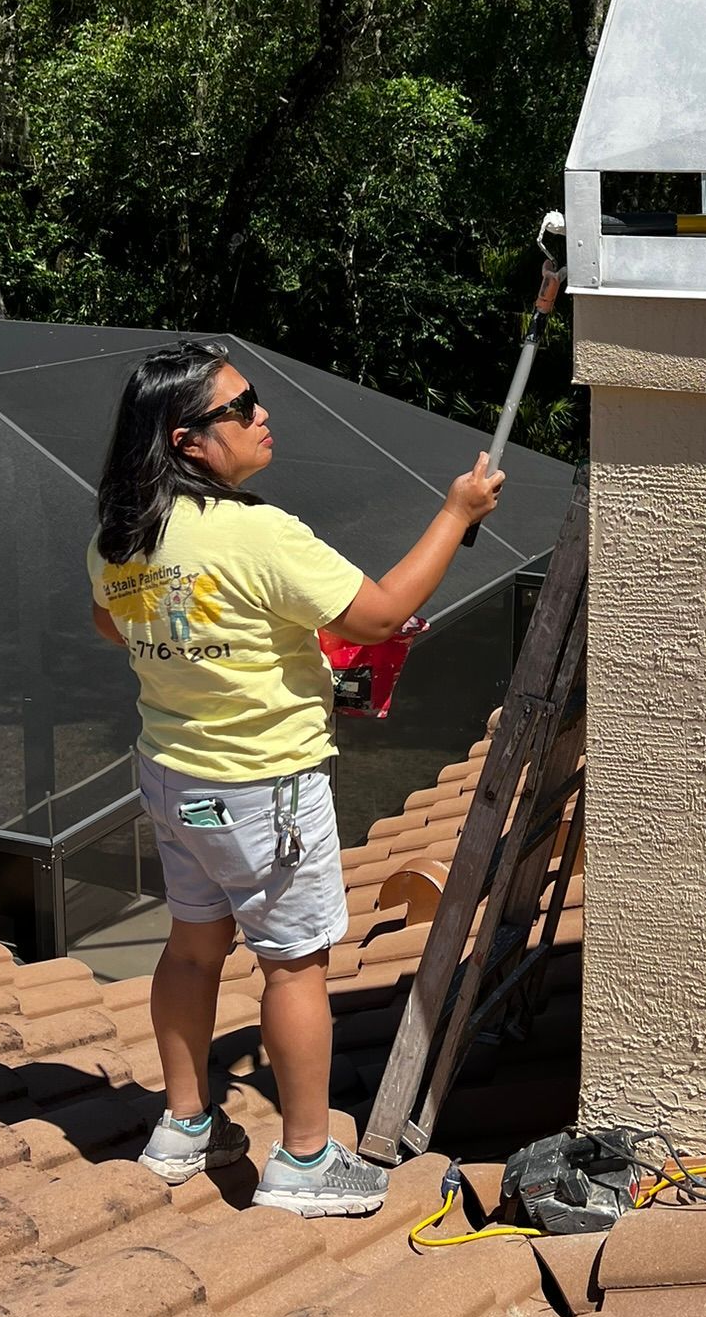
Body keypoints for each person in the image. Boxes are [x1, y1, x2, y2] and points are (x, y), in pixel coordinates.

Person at [88, 341, 503, 1217]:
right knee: (295, 970)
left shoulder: (120, 536)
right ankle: (306, 1161)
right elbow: (385, 613)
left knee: (193, 948)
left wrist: (210, 653)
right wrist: (456, 511)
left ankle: (185, 1123)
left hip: (173, 779)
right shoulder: (257, 533)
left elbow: (112, 621)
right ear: (188, 441)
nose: (261, 415)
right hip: (264, 787)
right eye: (240, 408)